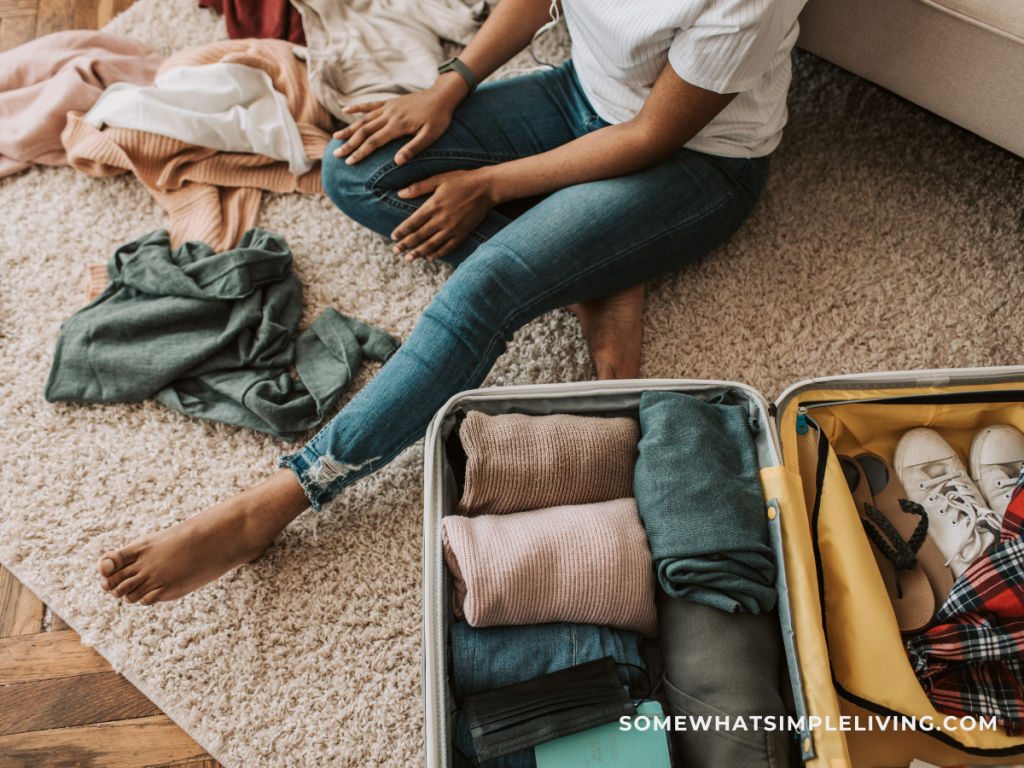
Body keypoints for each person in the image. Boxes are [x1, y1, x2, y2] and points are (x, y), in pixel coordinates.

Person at [96, 0, 806, 604]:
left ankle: (278, 501)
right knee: (358, 170)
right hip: (578, 97)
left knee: (490, 284)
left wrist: (491, 184)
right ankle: (602, 272)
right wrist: (450, 83)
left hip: (696, 163)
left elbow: (654, 132)